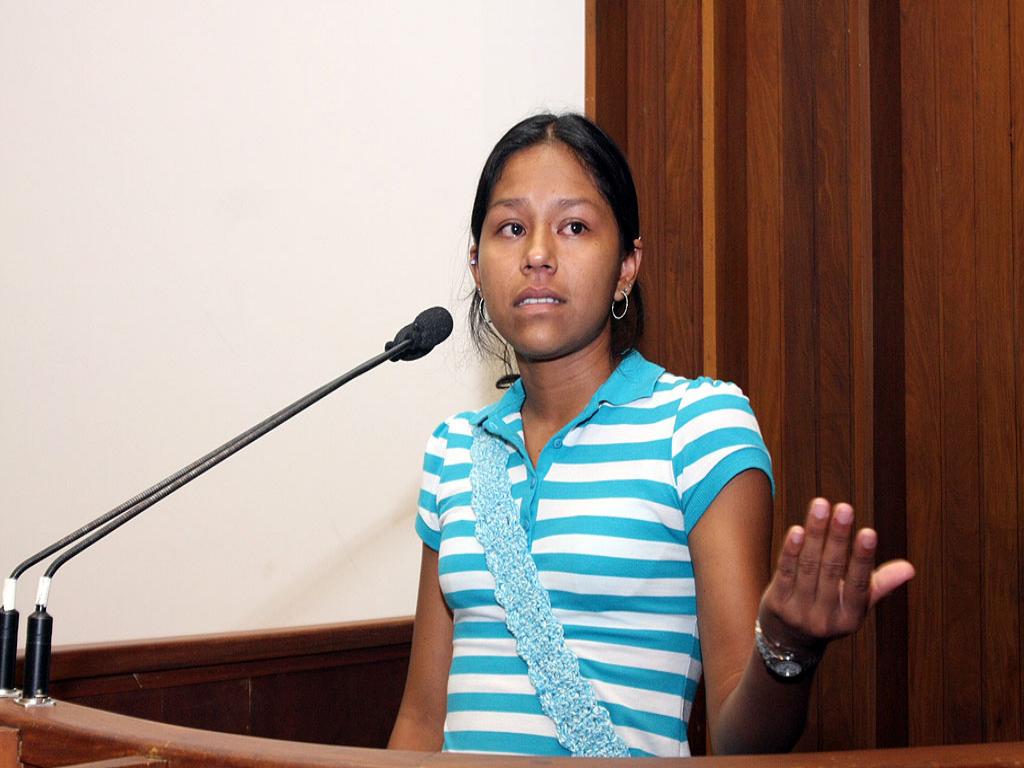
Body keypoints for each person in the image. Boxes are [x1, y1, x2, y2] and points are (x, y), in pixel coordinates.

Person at [387, 113, 914, 757]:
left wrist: (787, 650)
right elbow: (420, 721)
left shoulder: (699, 426)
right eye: (512, 228)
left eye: (574, 226)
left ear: (627, 266)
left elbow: (741, 742)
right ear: (476, 264)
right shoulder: (455, 450)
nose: (538, 254)